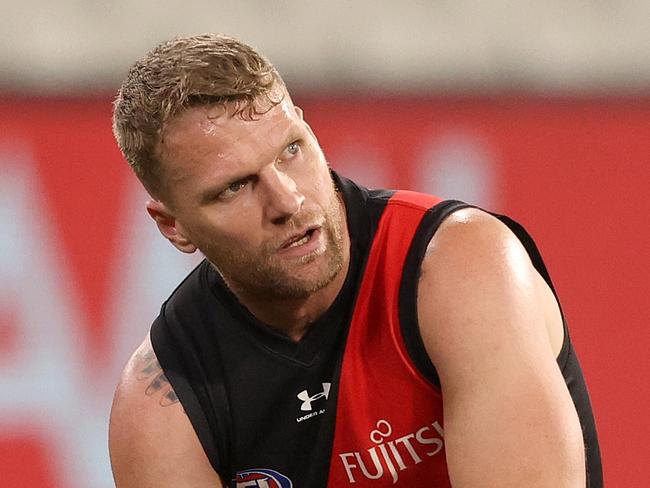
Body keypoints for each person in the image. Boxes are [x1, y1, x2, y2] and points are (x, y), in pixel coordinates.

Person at [108, 34, 602, 488]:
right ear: (173, 226)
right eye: (235, 187)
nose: (289, 202)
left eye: (291, 151)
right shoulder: (164, 403)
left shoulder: (460, 268)